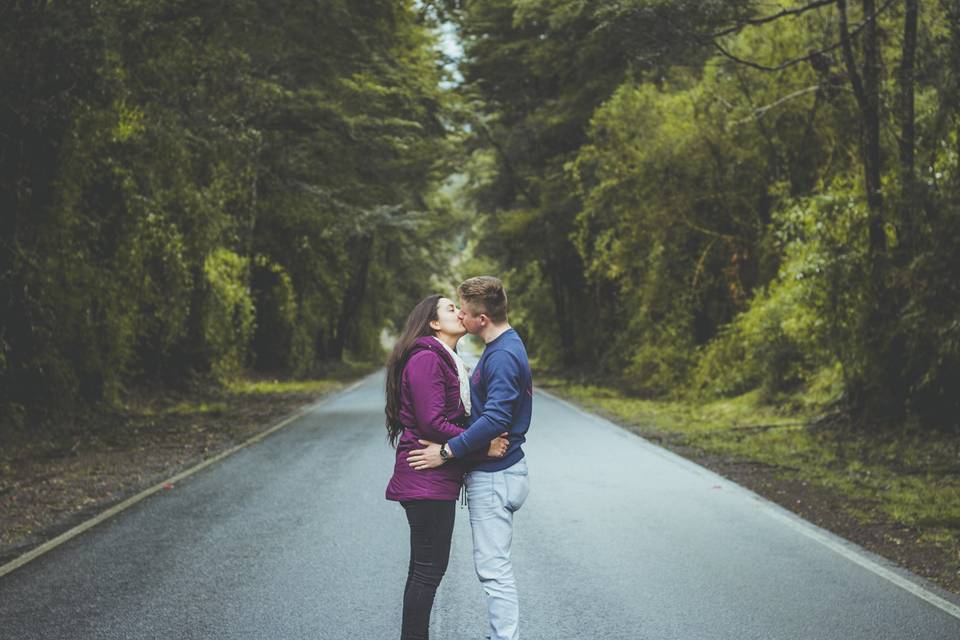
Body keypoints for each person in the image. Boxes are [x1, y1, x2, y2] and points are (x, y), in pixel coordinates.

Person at [408, 276, 533, 640]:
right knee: (492, 568)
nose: (460, 314)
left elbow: (495, 419)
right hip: (497, 470)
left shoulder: (504, 355)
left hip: (496, 474)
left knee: (493, 570)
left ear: (481, 320)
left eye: (463, 309)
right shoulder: (500, 348)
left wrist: (447, 451)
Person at [384, 294, 509, 640]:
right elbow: (433, 422)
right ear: (434, 323)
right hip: (426, 477)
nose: (459, 311)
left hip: (433, 479)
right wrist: (483, 445)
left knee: (423, 571)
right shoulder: (427, 359)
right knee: (427, 572)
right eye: (450, 308)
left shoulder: (444, 359)